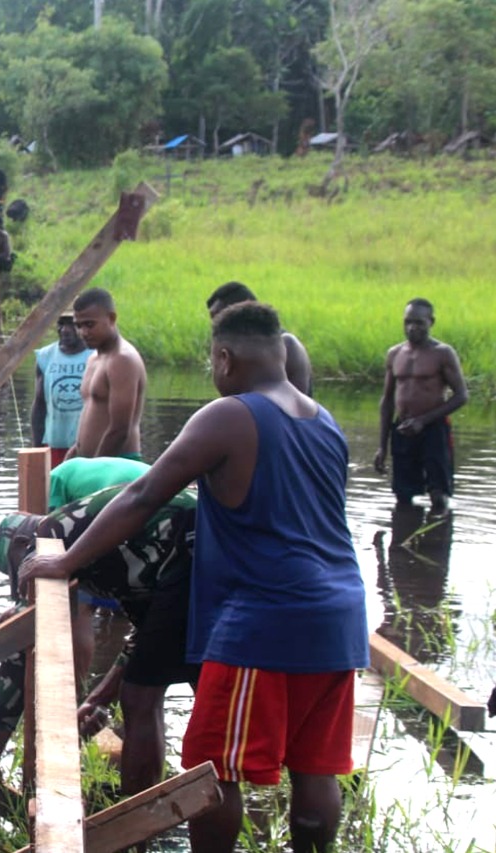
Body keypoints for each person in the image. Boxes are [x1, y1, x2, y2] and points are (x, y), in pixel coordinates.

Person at [21, 302, 369, 853]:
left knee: (213, 769)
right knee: (314, 769)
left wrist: (66, 560)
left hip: (264, 621)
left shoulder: (229, 415)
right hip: (340, 618)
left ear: (225, 358)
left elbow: (143, 493)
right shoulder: (323, 421)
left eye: (213, 360)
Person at [0, 484, 200, 805]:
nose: (28, 583)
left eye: (21, 568)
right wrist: (99, 698)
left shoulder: (52, 535)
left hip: (192, 541)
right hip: (199, 546)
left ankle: (139, 821)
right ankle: (204, 795)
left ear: (25, 544)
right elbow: (145, 632)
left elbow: (16, 651)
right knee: (174, 684)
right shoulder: (102, 557)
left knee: (139, 696)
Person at [374, 298, 468, 514]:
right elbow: (387, 400)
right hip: (404, 429)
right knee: (403, 495)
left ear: (431, 322)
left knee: (439, 495)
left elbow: (461, 396)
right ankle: (403, 543)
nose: (412, 328)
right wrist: (382, 446)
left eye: (418, 322)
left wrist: (423, 421)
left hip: (433, 429)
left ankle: (437, 543)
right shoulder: (395, 354)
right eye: (407, 322)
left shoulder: (442, 353)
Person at [66, 288, 146, 460]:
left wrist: (92, 470)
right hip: (91, 463)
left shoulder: (122, 359)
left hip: (117, 465)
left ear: (111, 319)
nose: (83, 333)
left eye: (89, 324)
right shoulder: (93, 358)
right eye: (78, 326)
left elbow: (119, 429)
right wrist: (71, 459)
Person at [206, 281, 312, 395]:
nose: (214, 326)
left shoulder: (286, 345)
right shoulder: (242, 348)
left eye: (218, 317)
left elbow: (295, 407)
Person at [31, 312, 91, 468]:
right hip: (53, 444)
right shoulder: (45, 356)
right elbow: (39, 404)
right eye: (61, 324)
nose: (65, 330)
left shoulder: (96, 356)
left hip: (88, 448)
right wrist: (37, 448)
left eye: (71, 324)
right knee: (52, 490)